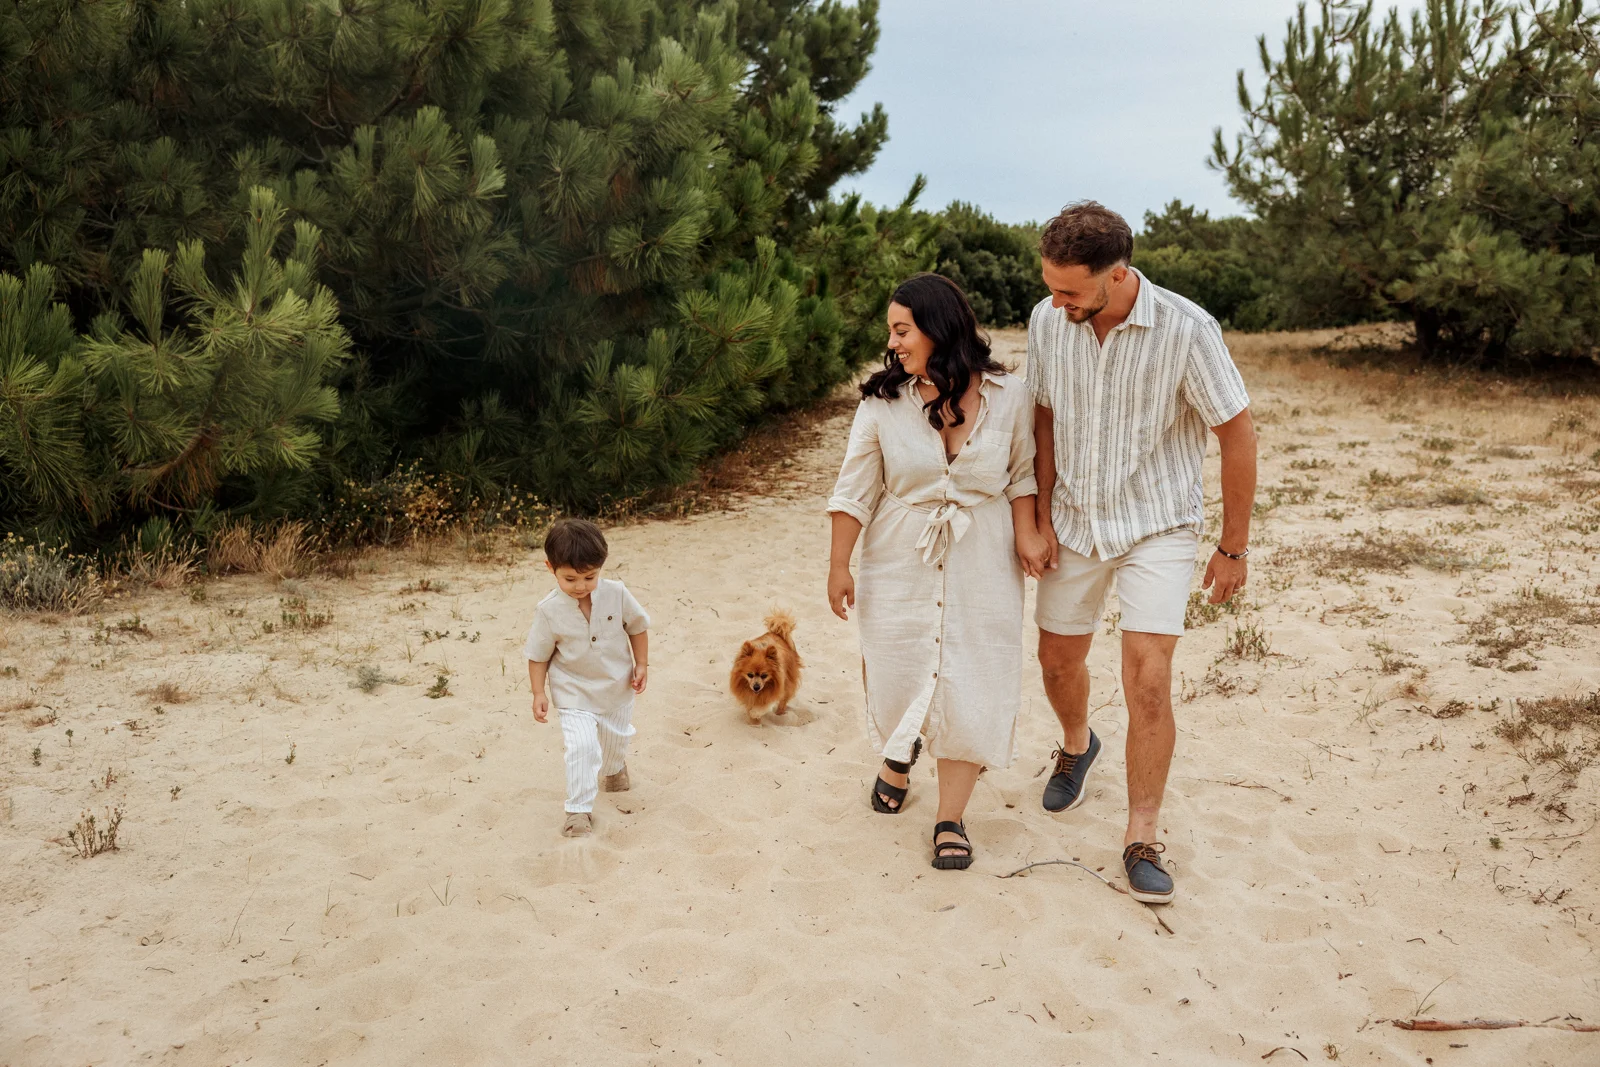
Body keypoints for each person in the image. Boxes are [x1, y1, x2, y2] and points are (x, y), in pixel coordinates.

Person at [1027, 201, 1257, 904]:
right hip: (1072, 518)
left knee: (1148, 676)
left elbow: (1237, 433)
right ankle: (1076, 744)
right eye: (1050, 285)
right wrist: (1036, 512)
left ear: (1117, 274)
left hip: (1158, 522)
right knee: (1057, 659)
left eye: (1070, 288)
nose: (1056, 300)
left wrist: (1233, 546)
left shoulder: (1188, 330)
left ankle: (1142, 835)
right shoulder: (1048, 320)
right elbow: (1041, 414)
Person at [827, 273, 1052, 871]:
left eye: (903, 330)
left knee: (973, 677)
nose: (894, 343)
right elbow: (853, 491)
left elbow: (1023, 475)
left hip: (985, 553)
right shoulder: (882, 403)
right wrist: (838, 566)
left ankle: (949, 817)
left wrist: (1029, 532)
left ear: (937, 327)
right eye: (892, 333)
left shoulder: (1010, 395)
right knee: (904, 667)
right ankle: (899, 755)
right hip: (899, 555)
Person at [524, 519, 650, 838]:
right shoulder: (548, 610)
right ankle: (578, 811)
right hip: (573, 691)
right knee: (581, 747)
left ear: (601, 568)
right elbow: (538, 655)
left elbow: (636, 626)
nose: (580, 586)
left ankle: (614, 767)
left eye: (589, 577)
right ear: (550, 567)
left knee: (614, 742)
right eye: (570, 578)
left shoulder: (616, 593)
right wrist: (539, 692)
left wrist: (642, 664)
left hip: (616, 687)